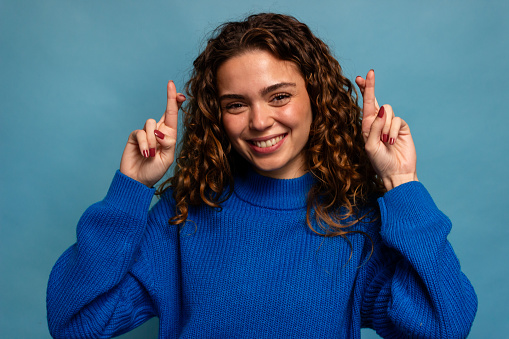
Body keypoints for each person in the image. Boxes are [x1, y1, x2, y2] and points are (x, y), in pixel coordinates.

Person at [47, 13, 477, 339]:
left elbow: (444, 324)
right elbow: (75, 322)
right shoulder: (185, 212)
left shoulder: (354, 220)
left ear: (316, 96)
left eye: (280, 96)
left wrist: (401, 183)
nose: (259, 121)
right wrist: (131, 191)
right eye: (236, 104)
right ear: (219, 115)